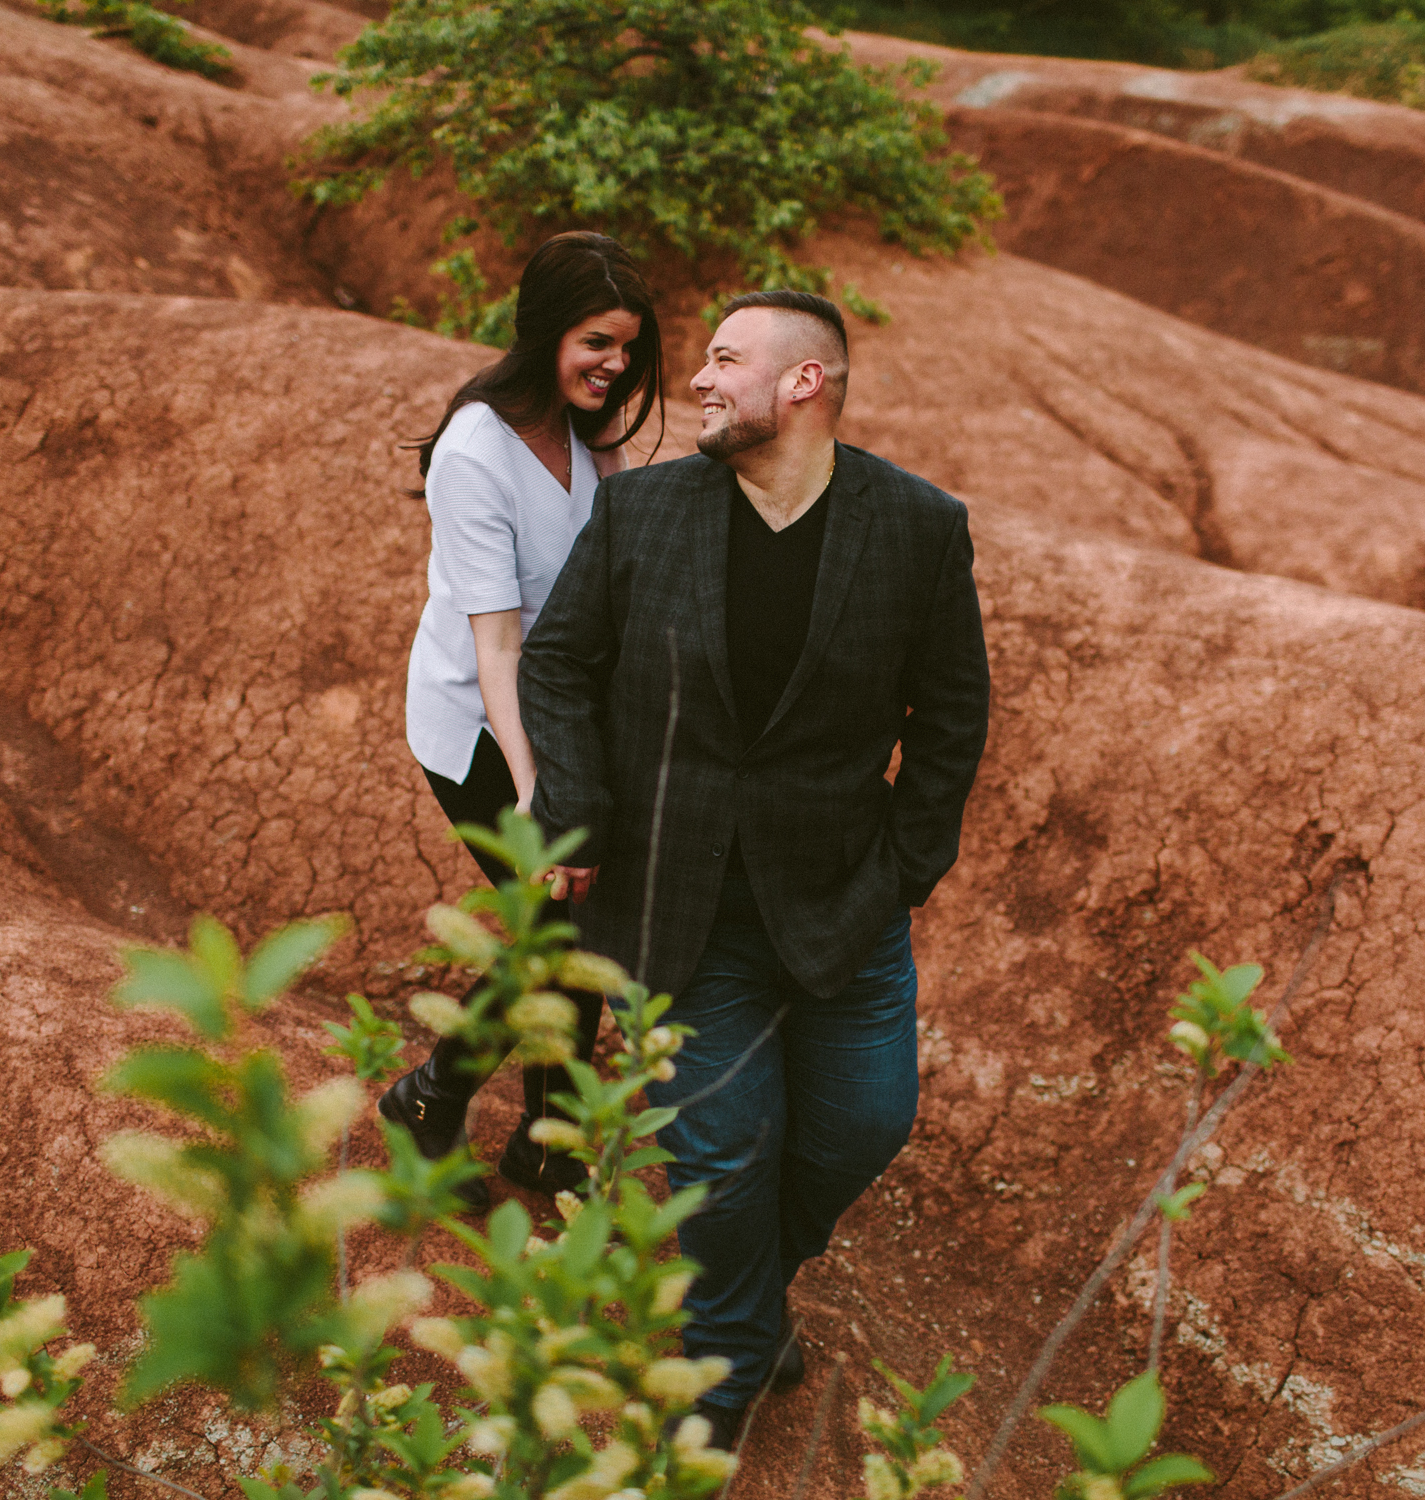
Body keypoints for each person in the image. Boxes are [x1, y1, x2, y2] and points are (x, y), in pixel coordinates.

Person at [519, 290, 991, 1448]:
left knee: (860, 1129)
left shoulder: (919, 525)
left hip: (846, 903)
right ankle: (722, 1380)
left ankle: (746, 1288)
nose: (700, 381)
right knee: (723, 1154)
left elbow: (952, 713)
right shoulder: (642, 514)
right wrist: (573, 809)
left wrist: (907, 866)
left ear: (804, 384)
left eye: (727, 360)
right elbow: (558, 666)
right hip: (681, 907)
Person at [386, 231, 665, 1212]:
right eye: (597, 342)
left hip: (566, 712)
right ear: (546, 331)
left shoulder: (593, 431)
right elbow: (497, 648)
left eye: (629, 347)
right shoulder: (476, 452)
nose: (616, 365)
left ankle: (546, 1150)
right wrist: (540, 795)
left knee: (574, 926)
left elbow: (627, 552)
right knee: (550, 927)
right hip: (479, 724)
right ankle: (431, 1099)